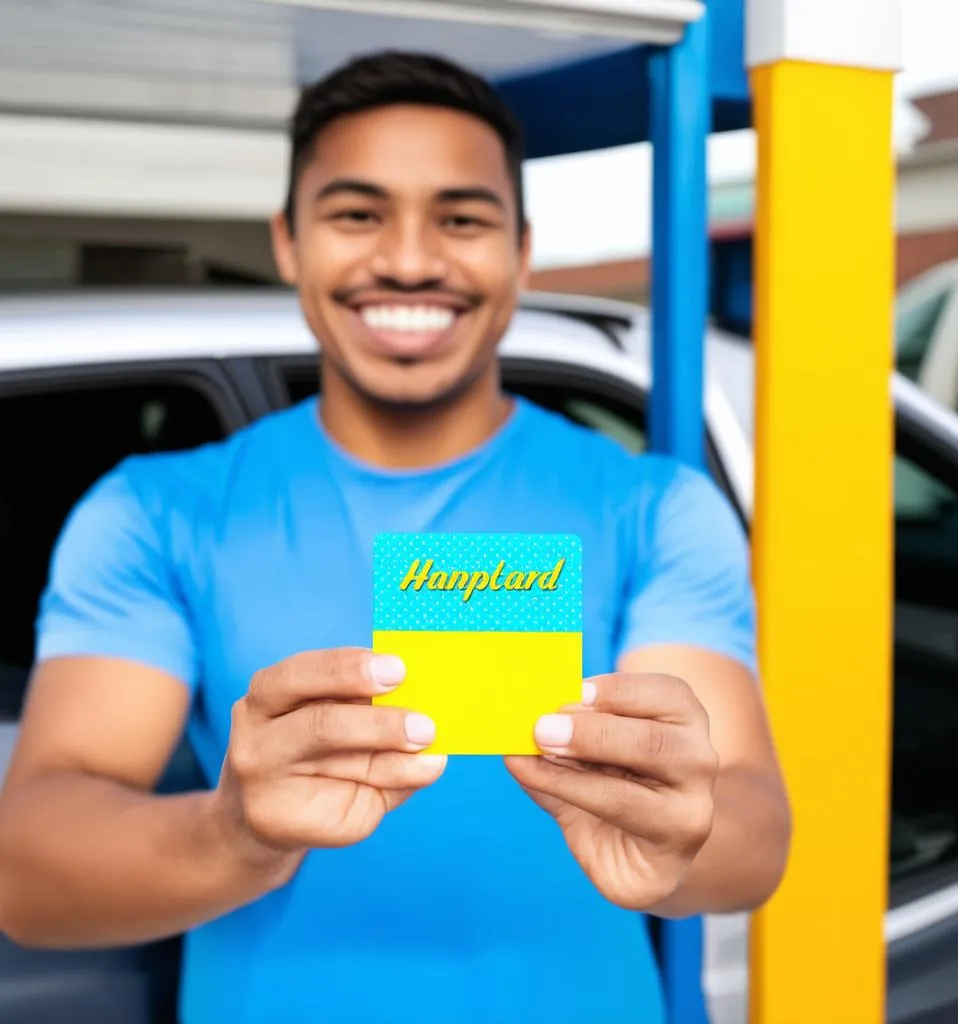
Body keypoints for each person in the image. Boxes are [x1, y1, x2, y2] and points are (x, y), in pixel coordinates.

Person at [0, 51, 790, 1024]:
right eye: (357, 213)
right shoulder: (154, 515)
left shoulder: (655, 507)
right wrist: (233, 829)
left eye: (460, 217)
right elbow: (29, 873)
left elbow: (753, 831)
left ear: (522, 250)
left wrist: (682, 835)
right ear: (289, 242)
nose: (411, 259)